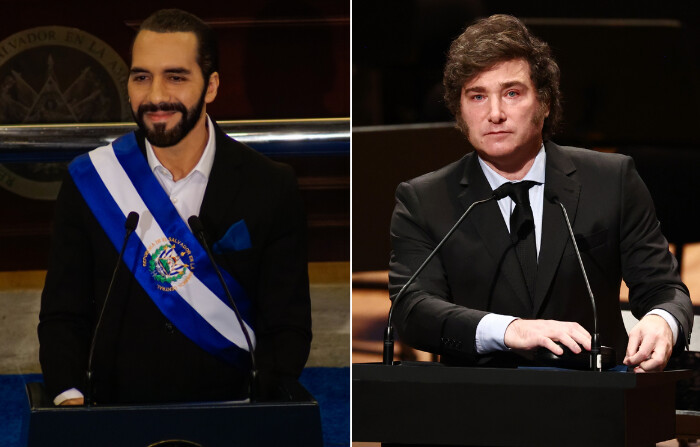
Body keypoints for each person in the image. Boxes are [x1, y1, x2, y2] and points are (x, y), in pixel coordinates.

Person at [389, 14, 693, 372]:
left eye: (512, 93)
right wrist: (509, 330)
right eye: (477, 96)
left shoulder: (611, 179)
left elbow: (663, 288)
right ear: (459, 110)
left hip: (594, 400)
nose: (495, 113)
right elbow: (411, 308)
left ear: (545, 103)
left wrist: (663, 321)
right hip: (480, 407)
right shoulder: (423, 199)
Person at [38, 9, 311, 405]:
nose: (156, 96)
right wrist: (70, 400)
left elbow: (288, 327)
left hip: (232, 413)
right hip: (114, 414)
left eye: (176, 77)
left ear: (212, 86)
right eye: (141, 77)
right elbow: (63, 315)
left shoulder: (270, 185)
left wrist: (256, 411)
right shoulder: (89, 181)